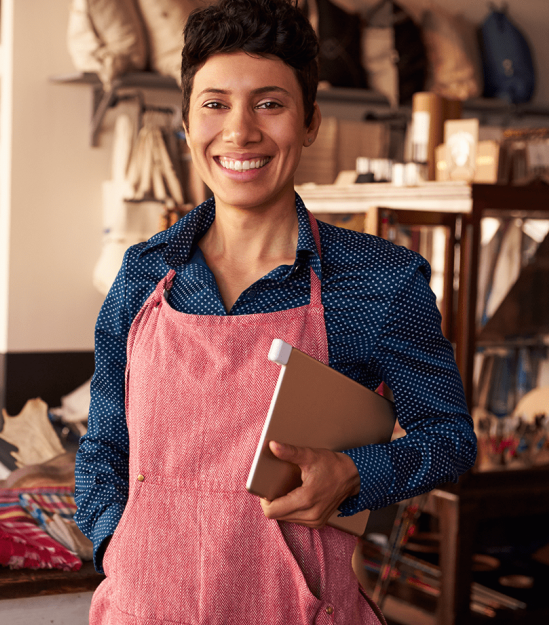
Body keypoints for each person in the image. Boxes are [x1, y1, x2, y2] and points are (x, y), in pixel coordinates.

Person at [75, 0, 477, 622]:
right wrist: (116, 546)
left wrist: (354, 472)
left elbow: (449, 439)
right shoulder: (144, 275)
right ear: (186, 123)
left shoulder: (380, 280)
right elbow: (104, 446)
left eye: (270, 103)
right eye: (214, 104)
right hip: (144, 608)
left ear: (310, 120)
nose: (240, 131)